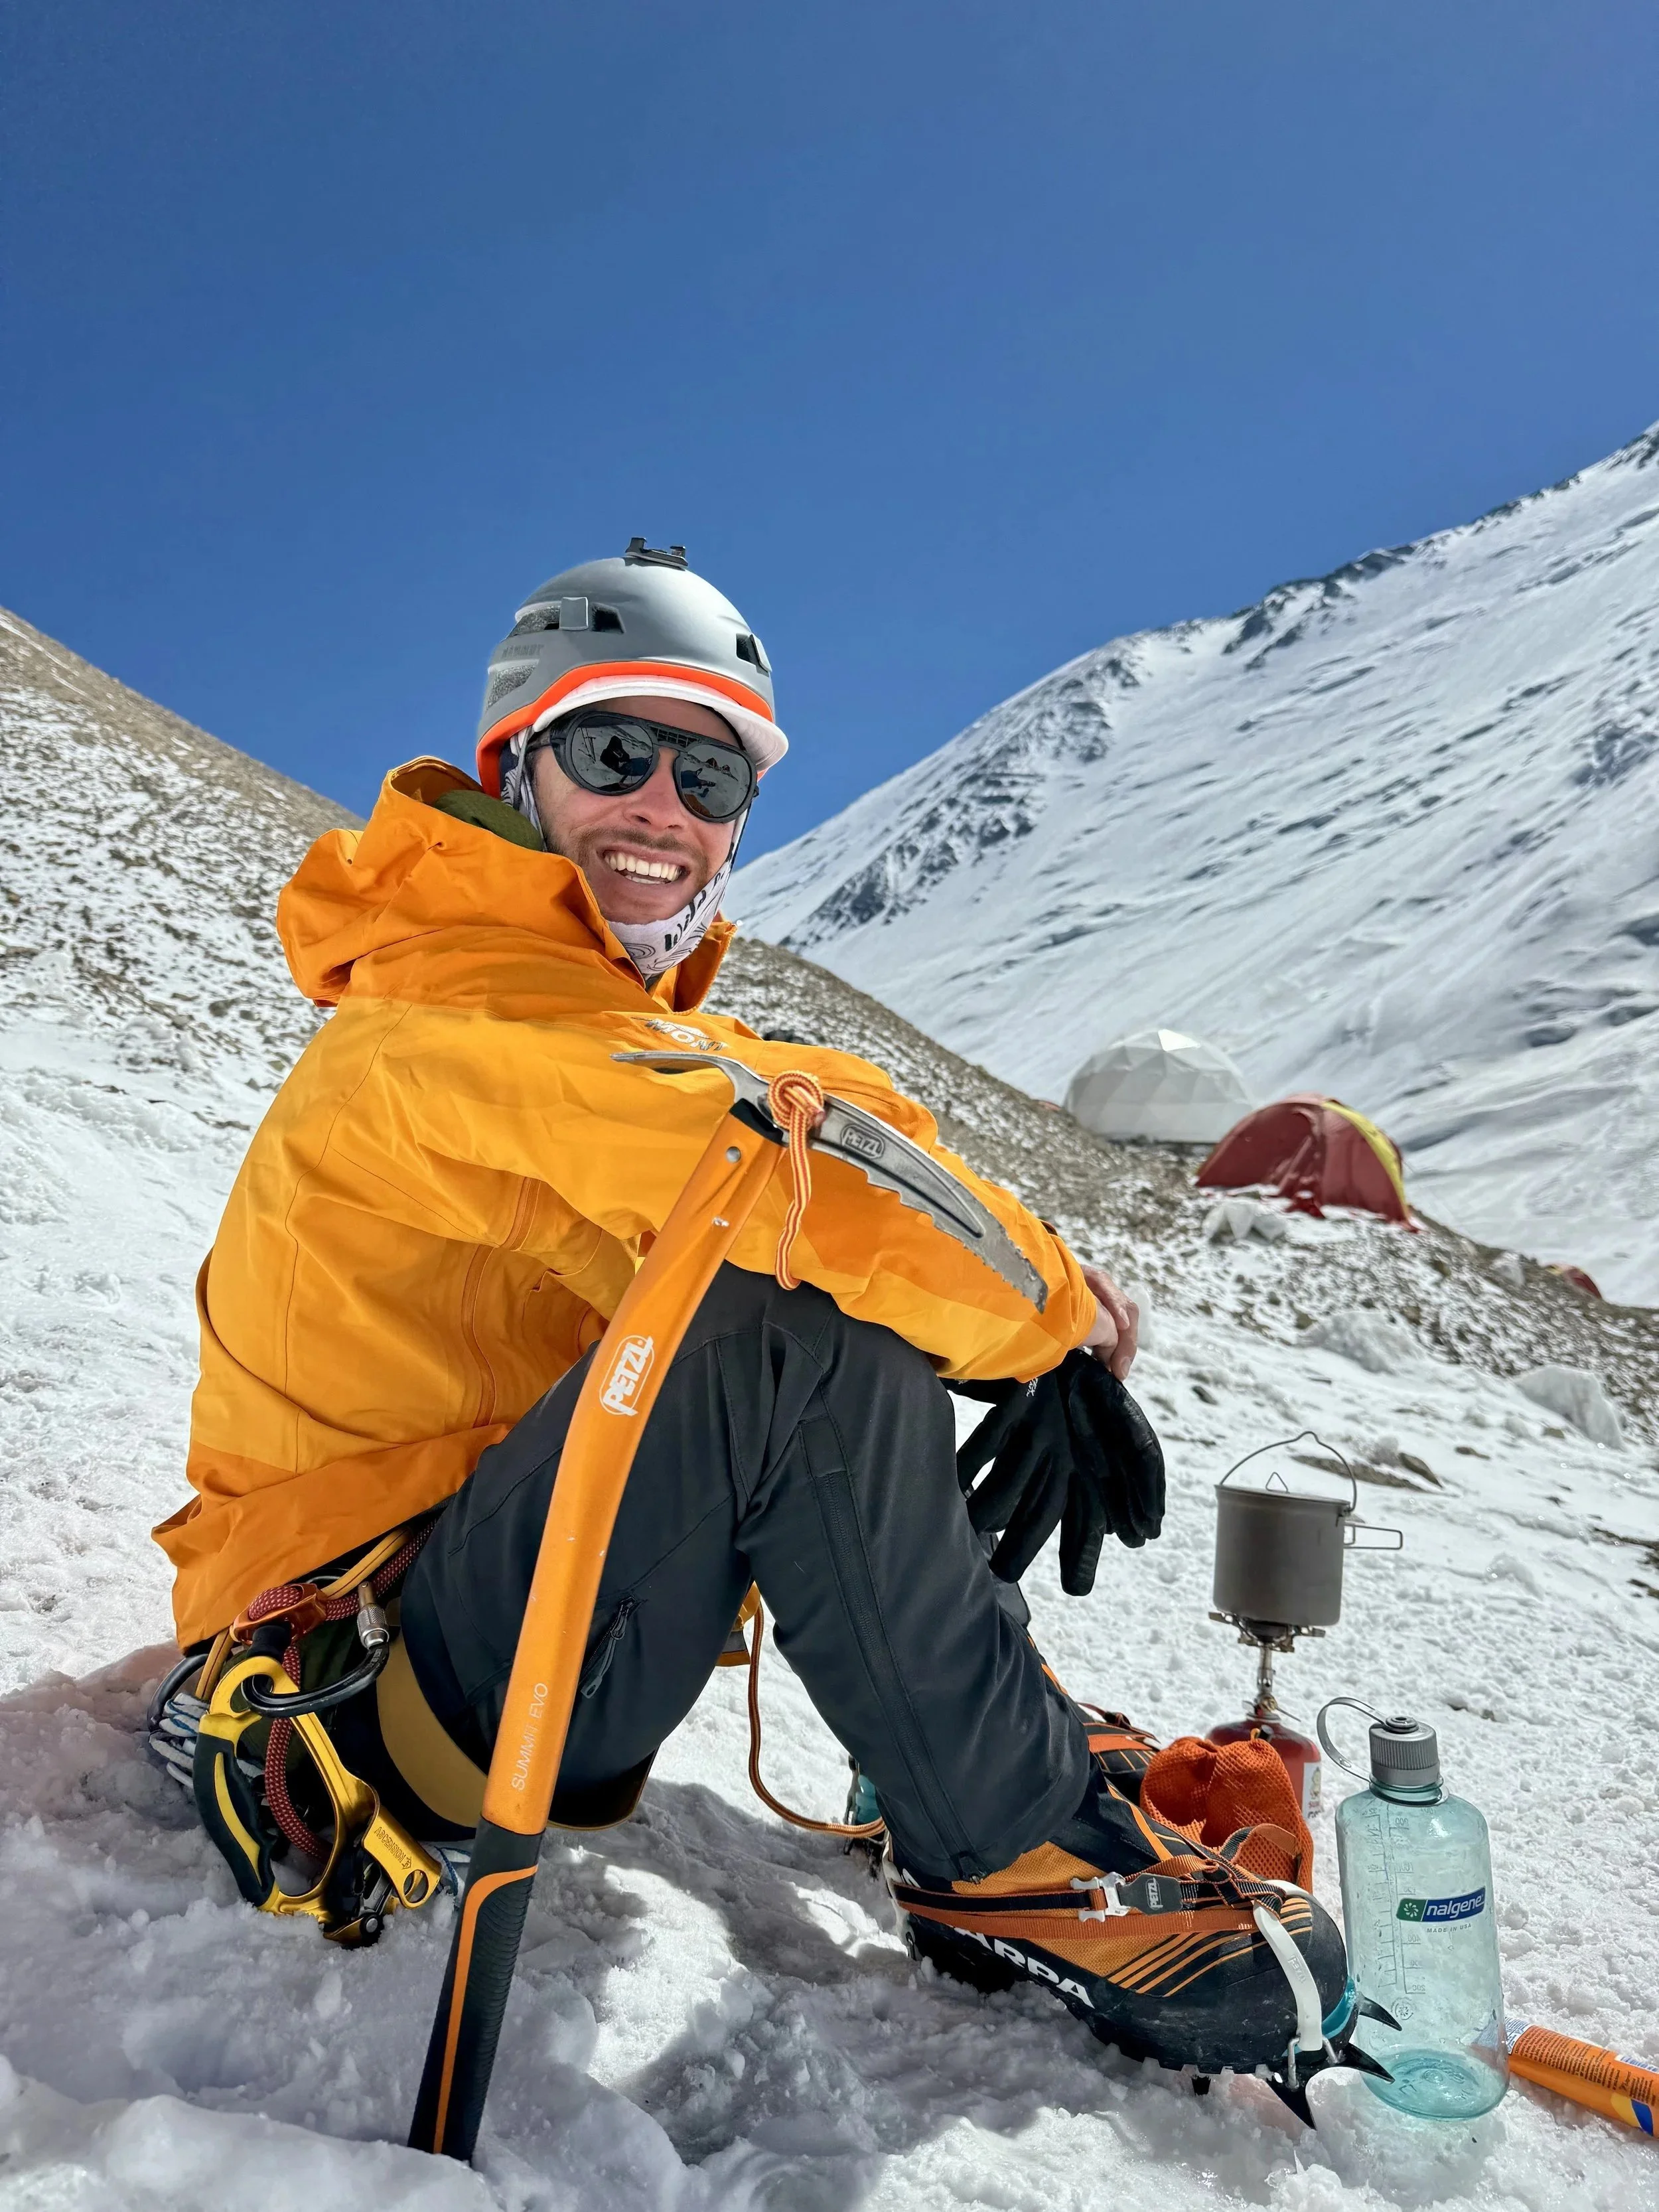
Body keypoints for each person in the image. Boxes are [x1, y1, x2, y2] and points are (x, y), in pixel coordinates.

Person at [155, 539, 1355, 2101]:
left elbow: (811, 1103)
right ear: (511, 765)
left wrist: (1012, 1281)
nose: (663, 805)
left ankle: (988, 1748)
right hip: (356, 1698)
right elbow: (780, 1169)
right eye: (614, 749)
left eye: (709, 776)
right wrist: (1046, 1321)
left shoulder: (570, 1014)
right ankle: (1015, 1850)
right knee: (782, 1317)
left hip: (469, 1620)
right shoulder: (443, 1026)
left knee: (804, 1293)